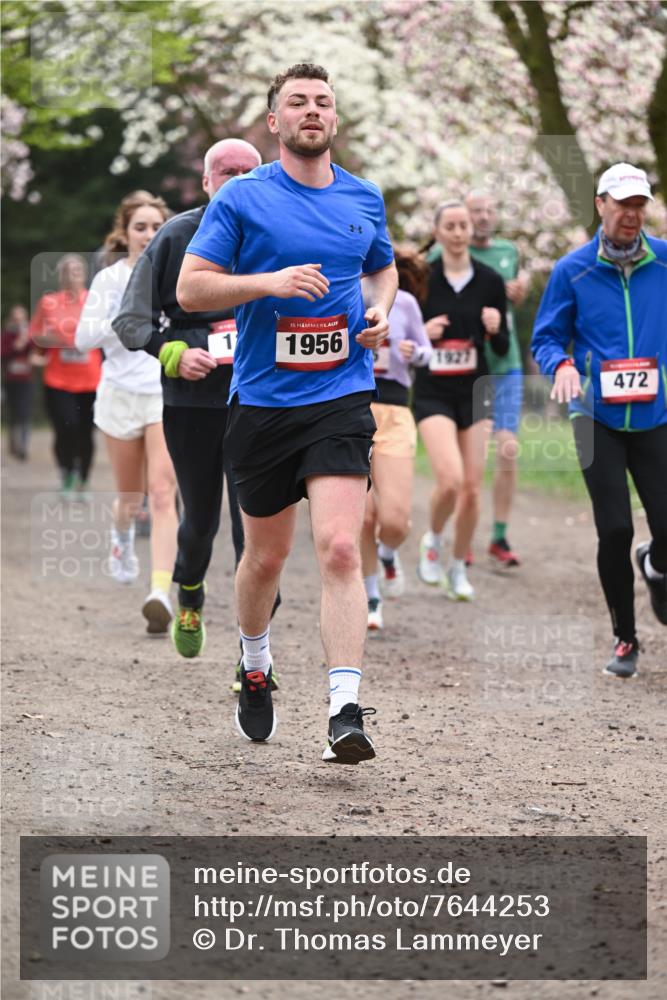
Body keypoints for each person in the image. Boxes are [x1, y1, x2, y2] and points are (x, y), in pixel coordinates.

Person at [177, 62, 397, 764]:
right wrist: (267, 283)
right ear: (274, 121)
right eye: (297, 102)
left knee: (340, 547)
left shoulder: (364, 196)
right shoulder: (242, 198)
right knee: (265, 559)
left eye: (322, 102)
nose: (312, 110)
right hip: (264, 403)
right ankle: (253, 661)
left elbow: (382, 267)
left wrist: (380, 310)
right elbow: (191, 289)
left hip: (341, 396)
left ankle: (344, 710)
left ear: (335, 119)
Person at [113, 139, 269, 665]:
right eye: (227, 172)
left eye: (249, 171)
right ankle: (191, 594)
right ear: (206, 182)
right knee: (201, 519)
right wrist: (172, 352)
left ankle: (255, 656)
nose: (239, 180)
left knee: (255, 527)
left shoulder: (279, 233)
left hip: (262, 401)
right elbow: (130, 320)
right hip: (193, 403)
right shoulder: (178, 235)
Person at [532, 162, 667, 678]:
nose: (631, 214)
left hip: (657, 415)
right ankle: (625, 639)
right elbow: (546, 337)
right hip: (596, 416)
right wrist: (562, 366)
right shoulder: (572, 270)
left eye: (639, 205)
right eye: (622, 204)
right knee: (614, 528)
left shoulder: (663, 262)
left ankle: (655, 564)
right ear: (601, 205)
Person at [75, 191, 179, 635]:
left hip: (162, 394)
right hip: (119, 395)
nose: (149, 234)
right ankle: (121, 537)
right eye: (141, 227)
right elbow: (82, 339)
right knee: (131, 499)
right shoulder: (109, 280)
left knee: (163, 492)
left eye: (157, 227)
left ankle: (160, 592)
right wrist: (126, 319)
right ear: (125, 233)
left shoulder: (175, 276)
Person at [415, 200, 509, 600]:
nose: (457, 233)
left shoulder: (490, 280)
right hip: (433, 391)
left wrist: (496, 328)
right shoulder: (423, 277)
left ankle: (457, 567)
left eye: (463, 226)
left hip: (475, 390)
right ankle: (433, 540)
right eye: (449, 226)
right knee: (450, 481)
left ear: (471, 231)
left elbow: (502, 348)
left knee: (471, 489)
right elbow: (404, 339)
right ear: (437, 232)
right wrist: (423, 332)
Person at [362, 246, 432, 631]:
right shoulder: (341, 292)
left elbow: (427, 353)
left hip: (394, 411)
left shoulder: (404, 302)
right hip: (350, 408)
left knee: (395, 520)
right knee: (362, 516)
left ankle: (388, 552)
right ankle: (371, 596)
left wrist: (414, 352)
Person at [30, 255, 101, 499]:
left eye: (78, 269)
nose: (74, 274)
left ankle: (84, 479)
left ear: (84, 274)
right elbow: (35, 335)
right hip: (58, 379)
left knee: (86, 431)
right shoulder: (49, 302)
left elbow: (108, 334)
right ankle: (67, 472)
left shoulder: (95, 301)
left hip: (91, 378)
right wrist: (55, 341)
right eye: (69, 270)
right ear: (61, 275)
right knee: (65, 427)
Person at [1, 305, 34, 461]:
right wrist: (17, 345)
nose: (18, 322)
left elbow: (37, 352)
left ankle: (23, 447)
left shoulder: (31, 335)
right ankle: (13, 444)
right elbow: (3, 353)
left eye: (21, 319)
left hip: (26, 381)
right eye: (16, 319)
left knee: (24, 413)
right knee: (13, 414)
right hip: (11, 381)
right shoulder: (7, 336)